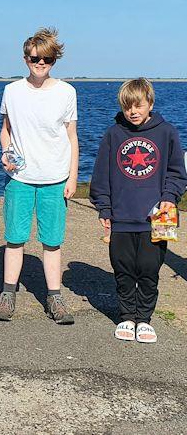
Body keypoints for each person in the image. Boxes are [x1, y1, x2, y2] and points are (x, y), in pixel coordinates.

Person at [90, 78, 186, 343]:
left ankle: (144, 319)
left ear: (150, 104)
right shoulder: (113, 134)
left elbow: (178, 173)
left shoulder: (166, 132)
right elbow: (101, 175)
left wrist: (170, 196)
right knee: (123, 268)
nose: (133, 111)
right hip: (120, 218)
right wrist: (104, 207)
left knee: (148, 268)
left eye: (138, 106)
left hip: (157, 218)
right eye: (127, 107)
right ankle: (127, 317)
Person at [0, 27, 78, 325]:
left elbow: (72, 137)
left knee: (52, 242)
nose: (40, 63)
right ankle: (8, 294)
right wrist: (6, 153)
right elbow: (6, 130)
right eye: (34, 58)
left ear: (54, 59)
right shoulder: (12, 91)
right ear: (25, 58)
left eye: (47, 59)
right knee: (15, 239)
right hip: (19, 178)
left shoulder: (67, 92)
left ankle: (54, 296)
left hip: (55, 178)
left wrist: (72, 178)